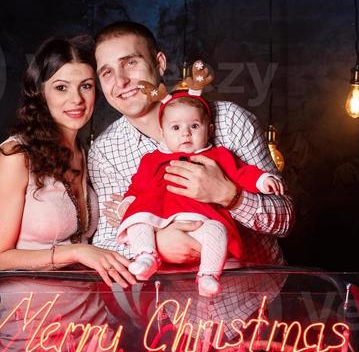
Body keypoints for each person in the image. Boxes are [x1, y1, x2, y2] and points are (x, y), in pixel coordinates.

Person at [88, 21, 294, 278]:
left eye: (131, 63)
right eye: (107, 72)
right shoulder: (106, 151)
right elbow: (107, 243)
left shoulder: (229, 120)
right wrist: (159, 243)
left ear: (159, 62)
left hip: (253, 297)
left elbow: (285, 218)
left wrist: (231, 196)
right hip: (173, 307)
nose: (121, 80)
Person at [117, 67, 285, 297]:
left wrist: (262, 179)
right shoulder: (152, 160)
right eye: (176, 128)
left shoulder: (220, 155)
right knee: (137, 222)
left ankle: (208, 275)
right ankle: (146, 255)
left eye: (194, 126)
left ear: (209, 130)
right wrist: (129, 200)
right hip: (161, 218)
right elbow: (138, 185)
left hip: (204, 219)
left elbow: (242, 173)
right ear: (163, 133)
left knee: (218, 232)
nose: (185, 134)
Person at [0, 34, 134, 290]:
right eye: (61, 87)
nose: (76, 100)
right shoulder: (17, 156)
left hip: (92, 320)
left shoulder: (86, 153)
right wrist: (75, 253)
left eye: (85, 86)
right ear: (41, 92)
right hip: (32, 320)